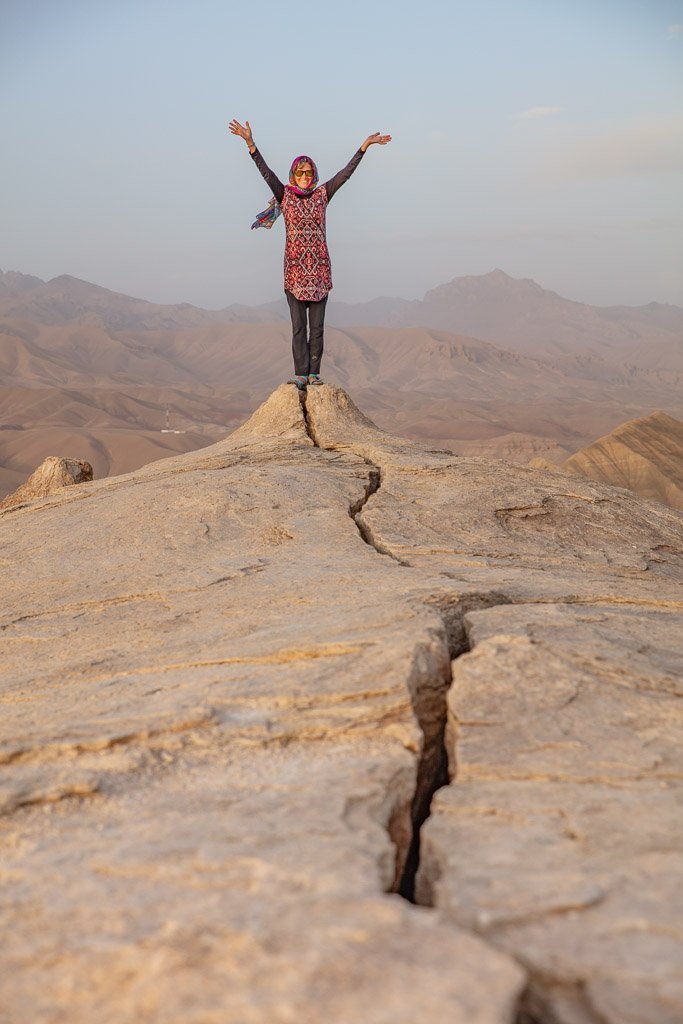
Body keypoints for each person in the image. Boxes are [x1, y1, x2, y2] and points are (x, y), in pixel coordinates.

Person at [228, 119, 391, 389]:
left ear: (313, 175)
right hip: (294, 274)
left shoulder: (322, 195)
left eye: (308, 173)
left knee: (317, 329)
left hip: (319, 272)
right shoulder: (285, 196)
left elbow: (345, 174)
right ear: (293, 176)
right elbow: (266, 174)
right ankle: (300, 374)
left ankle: (314, 373)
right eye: (300, 173)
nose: (304, 177)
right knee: (297, 328)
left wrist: (364, 146)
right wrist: (250, 144)